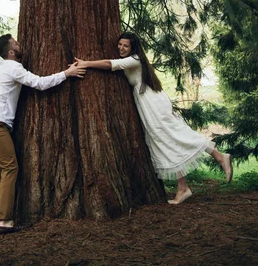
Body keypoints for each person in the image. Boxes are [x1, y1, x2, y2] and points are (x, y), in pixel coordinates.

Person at [0, 34, 86, 233]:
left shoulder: (0, 66)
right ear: (11, 52)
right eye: (17, 44)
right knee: (10, 167)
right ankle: (5, 221)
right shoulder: (14, 68)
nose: (21, 44)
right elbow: (39, 83)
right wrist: (67, 72)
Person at [72, 31, 233, 205]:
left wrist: (86, 63)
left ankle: (219, 156)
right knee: (164, 140)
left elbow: (111, 64)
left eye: (126, 45)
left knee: (174, 134)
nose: (121, 48)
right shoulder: (134, 61)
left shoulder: (135, 59)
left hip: (153, 102)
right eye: (120, 44)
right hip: (147, 101)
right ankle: (183, 188)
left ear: (133, 48)